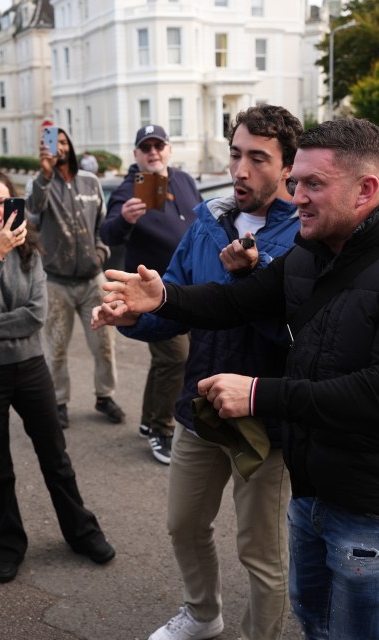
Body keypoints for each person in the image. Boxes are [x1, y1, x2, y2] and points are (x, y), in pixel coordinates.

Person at [101, 117, 379, 640]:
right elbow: (236, 301)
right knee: (317, 626)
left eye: (313, 185)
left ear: (367, 189)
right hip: (313, 483)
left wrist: (257, 393)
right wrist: (161, 298)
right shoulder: (314, 248)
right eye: (297, 182)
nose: (297, 196)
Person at [95, 104, 301, 640]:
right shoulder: (209, 219)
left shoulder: (305, 233)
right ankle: (203, 615)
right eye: (236, 155)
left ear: (287, 166)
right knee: (184, 524)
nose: (241, 170)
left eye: (259, 159)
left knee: (260, 551)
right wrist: (133, 316)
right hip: (200, 404)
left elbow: (300, 338)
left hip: (262, 411)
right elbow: (176, 308)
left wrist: (252, 283)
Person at [0, 168, 115, 584]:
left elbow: (34, 316)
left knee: (55, 457)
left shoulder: (31, 254)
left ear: (13, 205)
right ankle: (9, 544)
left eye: (1, 201)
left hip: (28, 366)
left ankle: (81, 532)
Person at [100, 124, 201, 464]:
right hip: (151, 294)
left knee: (165, 361)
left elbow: (200, 220)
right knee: (175, 358)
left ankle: (147, 421)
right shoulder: (130, 189)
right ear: (136, 155)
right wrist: (125, 219)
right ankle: (162, 429)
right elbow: (108, 232)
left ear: (169, 149)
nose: (153, 151)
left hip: (189, 288)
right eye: (146, 147)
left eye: (159, 145)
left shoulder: (183, 180)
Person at [27, 125, 123, 429]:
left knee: (104, 344)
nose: (59, 147)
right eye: (51, 143)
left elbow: (102, 227)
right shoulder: (39, 184)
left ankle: (104, 396)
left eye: (63, 141)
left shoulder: (90, 182)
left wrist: (99, 254)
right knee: (55, 348)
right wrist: (44, 174)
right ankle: (58, 401)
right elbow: (32, 213)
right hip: (56, 282)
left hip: (92, 279)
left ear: (70, 144)